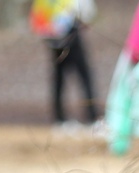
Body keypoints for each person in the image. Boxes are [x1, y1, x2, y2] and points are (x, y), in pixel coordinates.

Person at [34, 0, 101, 131]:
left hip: (52, 40)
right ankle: (92, 117)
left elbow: (37, 17)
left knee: (58, 79)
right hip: (71, 36)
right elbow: (87, 14)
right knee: (84, 76)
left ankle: (59, 119)